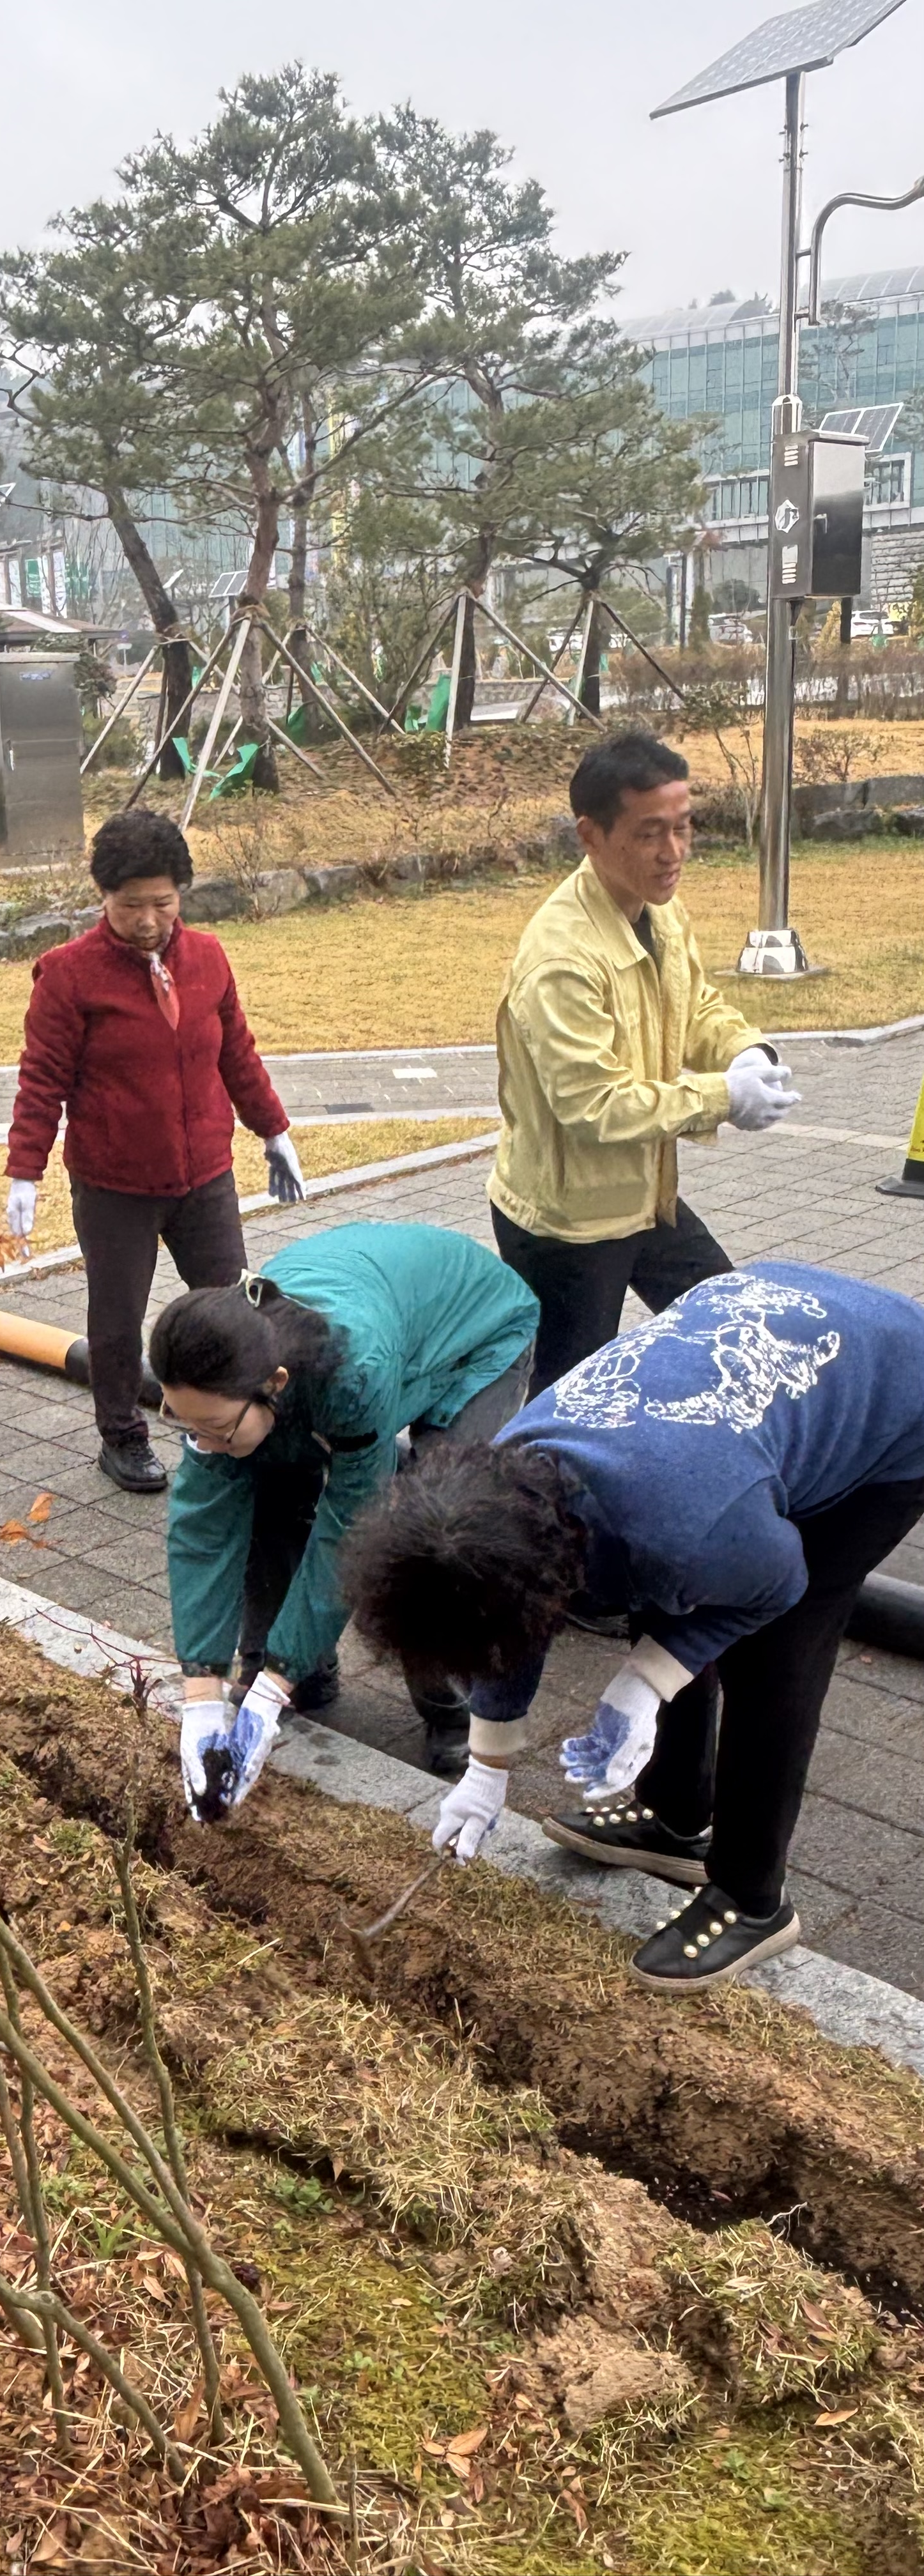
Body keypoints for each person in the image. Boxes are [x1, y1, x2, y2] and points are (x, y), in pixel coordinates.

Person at [343, 1261, 924, 1994]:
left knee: (775, 1650)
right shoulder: (506, 1484)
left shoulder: (687, 1525)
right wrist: (487, 1769)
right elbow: (510, 1620)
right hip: (745, 1381)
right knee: (663, 1590)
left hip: (894, 1399)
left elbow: (776, 1583)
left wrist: (647, 1680)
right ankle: (676, 1815)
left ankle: (752, 1898)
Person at [150, 1222, 539, 1814]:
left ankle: (453, 1709)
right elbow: (204, 1529)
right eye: (186, 1424)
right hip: (384, 1314)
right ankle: (304, 1673)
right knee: (265, 1482)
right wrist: (201, 1692)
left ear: (275, 1385)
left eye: (214, 1428)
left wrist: (268, 1691)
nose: (201, 1441)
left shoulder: (353, 1376)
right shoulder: (219, 1371)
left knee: (433, 1526)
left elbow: (349, 1532)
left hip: (475, 1335)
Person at [489, 729, 801, 1397]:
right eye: (650, 833)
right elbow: (593, 1106)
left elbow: (695, 1006)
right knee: (570, 1400)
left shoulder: (660, 912)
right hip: (567, 1223)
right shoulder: (562, 957)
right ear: (591, 835)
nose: (673, 853)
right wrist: (725, 1097)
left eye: (684, 828)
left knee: (736, 1328)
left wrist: (744, 1050)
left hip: (644, 1196)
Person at [4, 808, 304, 1496]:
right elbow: (41, 1080)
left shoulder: (208, 958)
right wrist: (26, 1171)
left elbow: (237, 1054)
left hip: (203, 1176)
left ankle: (242, 1420)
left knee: (234, 1305)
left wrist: (274, 1132)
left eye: (163, 904)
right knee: (116, 1320)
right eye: (130, 904)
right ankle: (123, 1435)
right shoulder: (69, 976)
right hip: (115, 1184)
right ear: (103, 898)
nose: (147, 920)